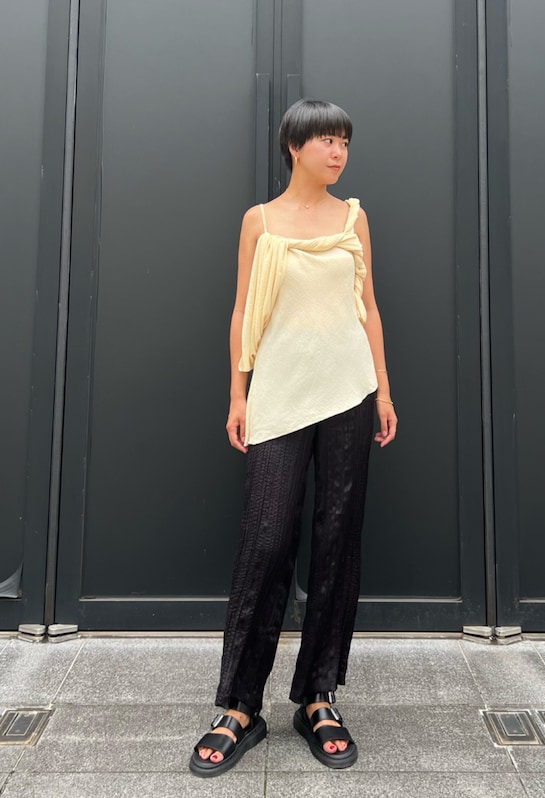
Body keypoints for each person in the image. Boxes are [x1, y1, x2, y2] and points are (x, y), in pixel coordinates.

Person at [189, 99, 397, 778]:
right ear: (293, 148)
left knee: (338, 540)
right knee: (267, 540)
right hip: (279, 394)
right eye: (325, 141)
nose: (338, 153)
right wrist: (238, 393)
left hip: (349, 392)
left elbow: (367, 306)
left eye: (344, 142)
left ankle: (318, 696)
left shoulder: (354, 217)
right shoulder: (260, 221)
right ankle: (239, 705)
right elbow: (242, 310)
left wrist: (383, 391)